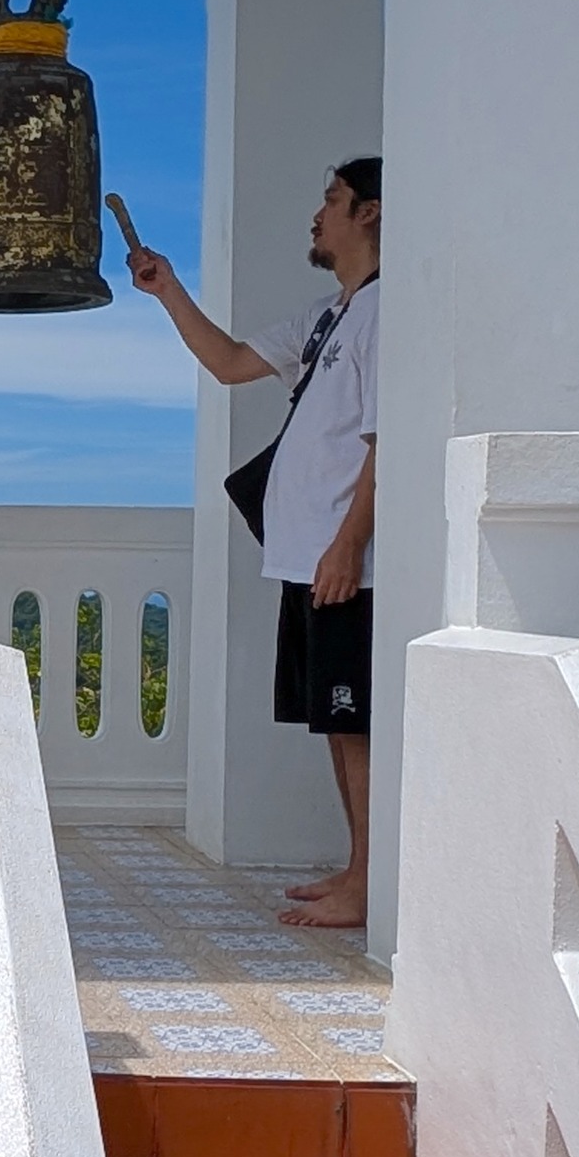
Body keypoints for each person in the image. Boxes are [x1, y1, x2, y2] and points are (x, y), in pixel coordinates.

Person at [127, 158, 381, 929]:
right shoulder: (331, 315)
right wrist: (168, 289)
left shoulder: (388, 312)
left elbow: (387, 442)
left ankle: (370, 882)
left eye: (332, 199)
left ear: (370, 212)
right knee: (336, 725)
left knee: (356, 725)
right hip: (309, 558)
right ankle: (359, 869)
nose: (318, 213)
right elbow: (232, 362)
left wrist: (347, 545)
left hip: (345, 563)